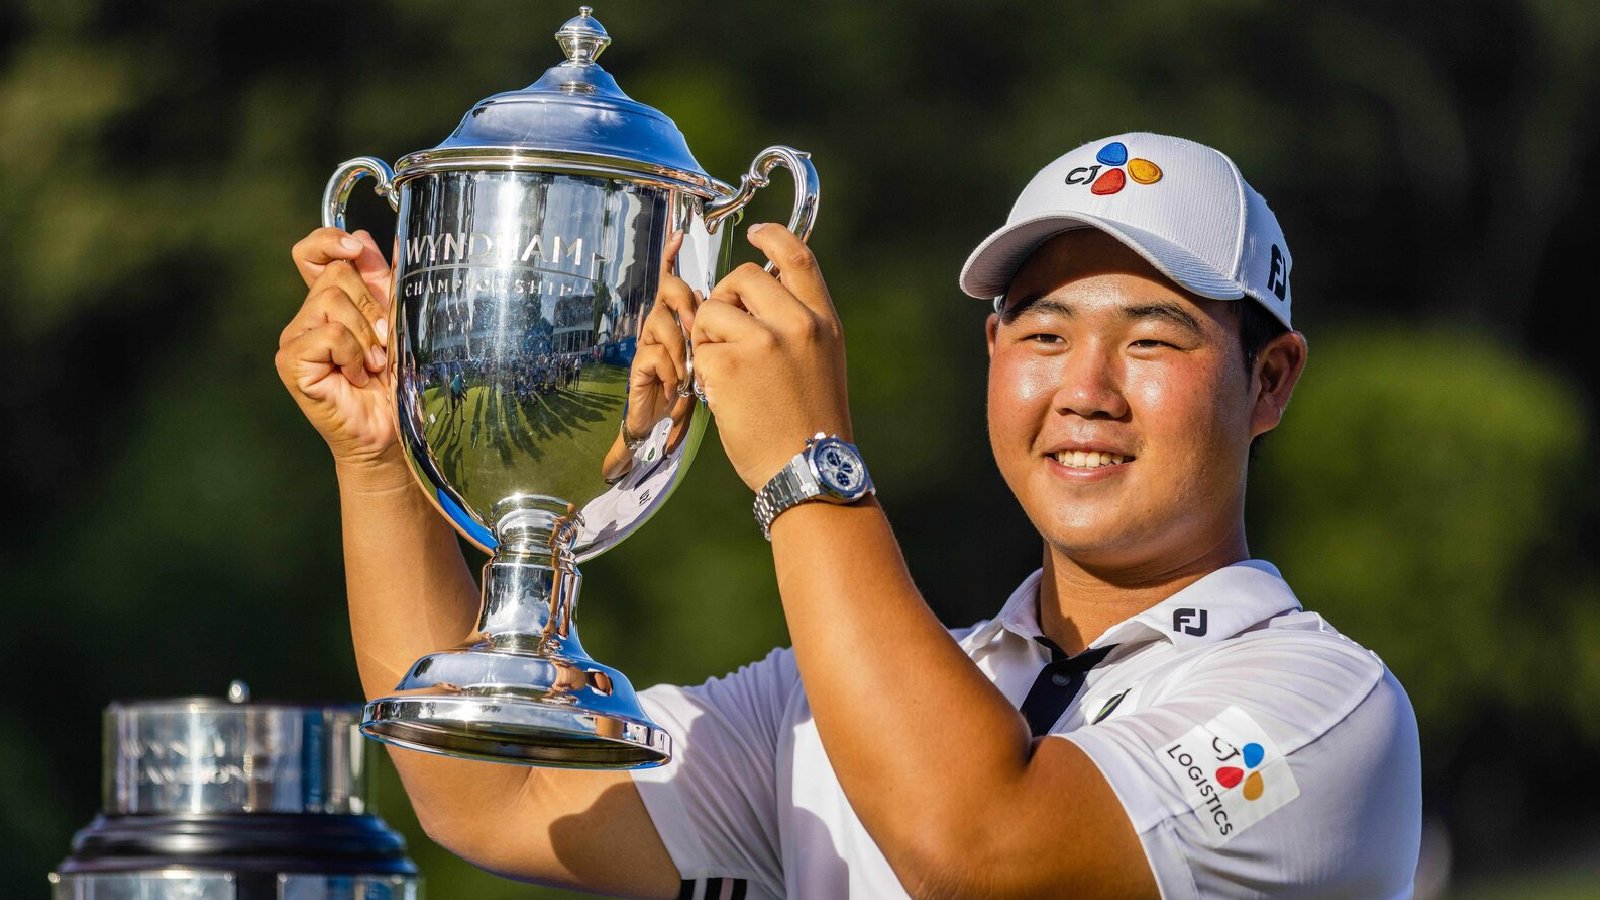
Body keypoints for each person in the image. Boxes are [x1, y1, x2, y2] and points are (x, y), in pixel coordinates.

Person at [277, 132, 1421, 898]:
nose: (1085, 387)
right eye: (1044, 331)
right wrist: (383, 463)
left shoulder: (1324, 708)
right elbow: (485, 786)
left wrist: (803, 464)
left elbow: (979, 847)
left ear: (1268, 381)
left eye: (1154, 337)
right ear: (992, 355)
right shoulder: (831, 704)